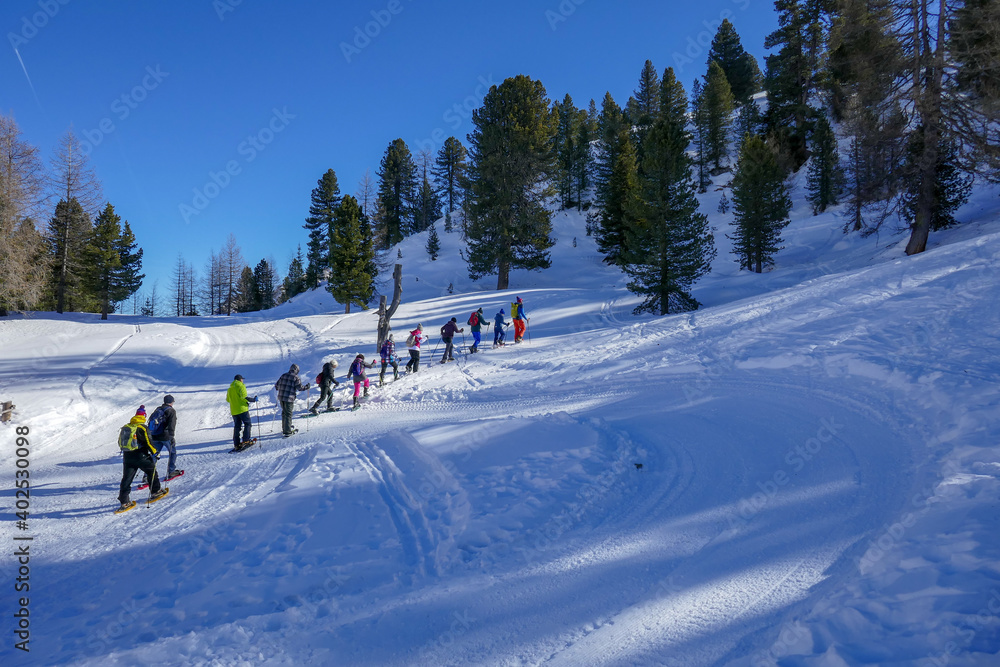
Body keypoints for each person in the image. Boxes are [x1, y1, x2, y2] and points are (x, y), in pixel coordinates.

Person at [117, 406, 167, 510]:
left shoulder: (127, 426)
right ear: (144, 416)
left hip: (127, 457)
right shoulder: (142, 427)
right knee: (151, 472)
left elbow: (119, 442)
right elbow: (149, 442)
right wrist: (155, 452)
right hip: (141, 456)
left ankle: (124, 502)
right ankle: (155, 491)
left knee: (126, 479)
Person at [147, 395, 181, 480]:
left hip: (155, 436)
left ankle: (148, 476)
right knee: (172, 452)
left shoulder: (158, 409)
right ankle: (171, 471)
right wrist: (172, 437)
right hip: (165, 436)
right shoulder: (171, 411)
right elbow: (171, 425)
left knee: (154, 454)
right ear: (171, 402)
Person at [275, 364, 310, 437]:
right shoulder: (296, 377)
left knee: (284, 412)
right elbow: (300, 388)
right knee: (288, 414)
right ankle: (287, 431)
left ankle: (285, 427)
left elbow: (276, 386)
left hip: (281, 397)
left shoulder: (283, 375)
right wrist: (306, 387)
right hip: (289, 398)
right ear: (297, 370)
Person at [226, 374, 258, 448]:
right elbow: (244, 397)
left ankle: (236, 443)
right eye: (242, 379)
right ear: (240, 380)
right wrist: (253, 400)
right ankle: (246, 440)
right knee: (247, 424)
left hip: (234, 410)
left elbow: (228, 400)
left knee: (237, 426)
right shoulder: (241, 386)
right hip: (242, 409)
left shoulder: (230, 389)